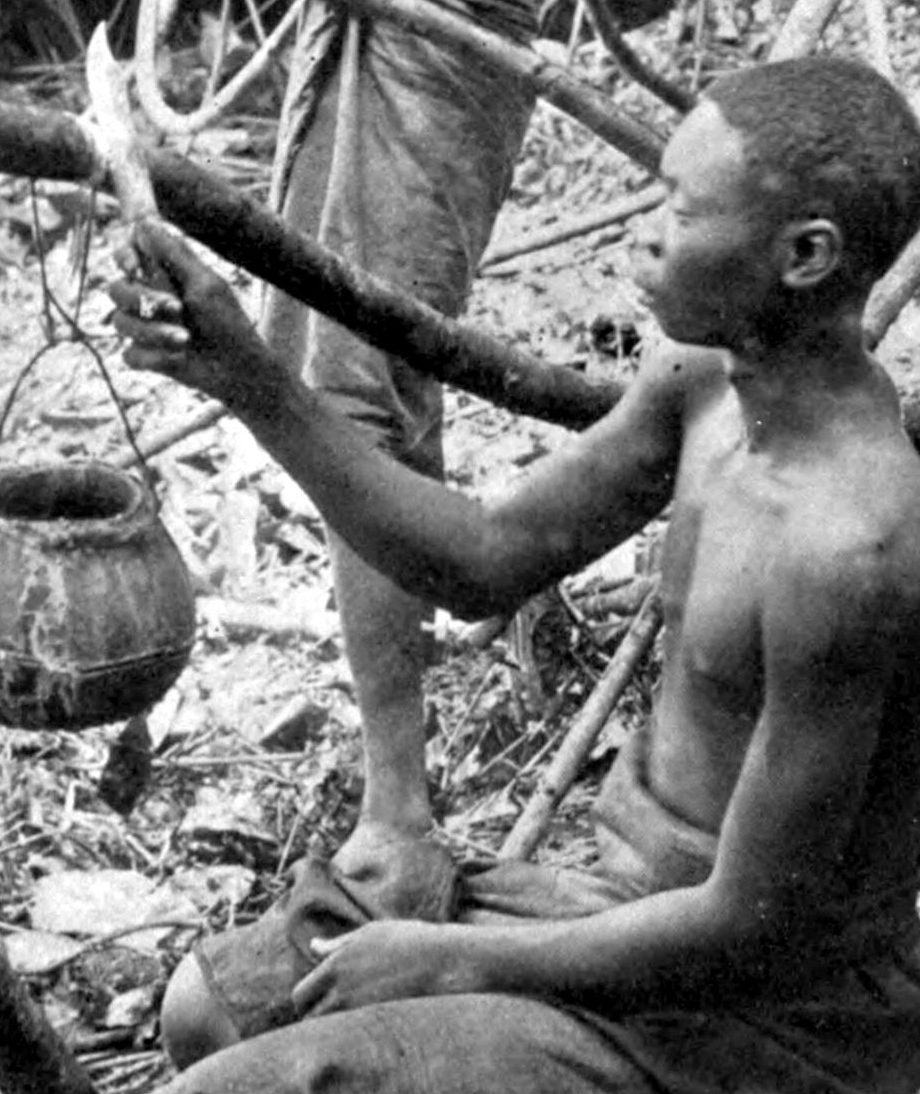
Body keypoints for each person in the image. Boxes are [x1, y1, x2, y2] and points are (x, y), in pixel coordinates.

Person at [111, 55, 920, 1094]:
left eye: (681, 208)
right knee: (208, 1011)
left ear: (803, 254)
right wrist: (248, 376)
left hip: (767, 1026)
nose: (642, 229)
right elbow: (479, 560)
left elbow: (752, 927)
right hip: (617, 919)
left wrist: (456, 956)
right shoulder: (701, 390)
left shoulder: (851, 556)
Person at [255, 0, 539, 920]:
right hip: (384, 32)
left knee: (354, 389)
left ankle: (398, 814)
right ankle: (400, 766)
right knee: (353, 361)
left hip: (436, 31)